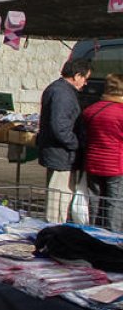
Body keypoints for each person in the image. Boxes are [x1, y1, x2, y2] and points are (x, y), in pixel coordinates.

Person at [38, 58, 92, 224]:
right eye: (85, 78)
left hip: (59, 153)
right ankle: (55, 230)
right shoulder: (63, 94)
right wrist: (76, 144)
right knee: (59, 202)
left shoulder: (58, 89)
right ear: (77, 76)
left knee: (60, 198)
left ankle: (55, 228)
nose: (86, 83)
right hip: (61, 155)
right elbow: (60, 128)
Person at [82, 73, 123, 232]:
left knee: (95, 201)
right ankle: (112, 237)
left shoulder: (91, 110)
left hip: (93, 162)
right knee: (115, 203)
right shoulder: (120, 112)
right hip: (116, 165)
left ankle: (93, 233)